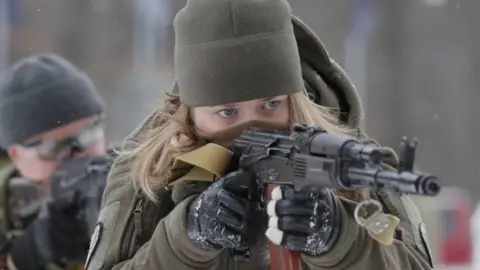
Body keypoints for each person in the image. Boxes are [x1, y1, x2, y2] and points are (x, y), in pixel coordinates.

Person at [85, 0, 434, 269]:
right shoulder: (146, 175)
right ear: (191, 114)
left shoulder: (351, 161)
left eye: (270, 105)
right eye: (227, 112)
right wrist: (188, 236)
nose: (250, 126)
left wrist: (341, 239)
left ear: (294, 101)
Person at [0, 54, 109, 270]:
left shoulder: (139, 179)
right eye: (51, 147)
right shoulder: (8, 211)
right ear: (15, 154)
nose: (77, 156)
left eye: (88, 135)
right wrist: (20, 259)